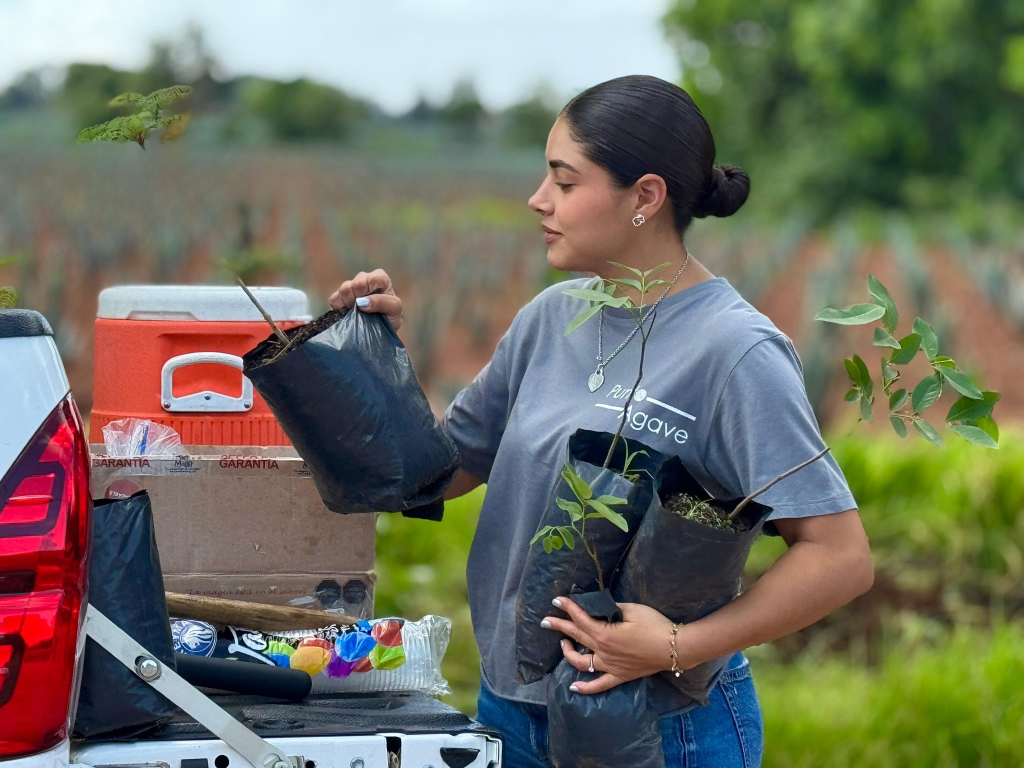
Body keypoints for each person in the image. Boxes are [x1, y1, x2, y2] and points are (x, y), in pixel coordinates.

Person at [329, 75, 874, 768]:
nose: (538, 199)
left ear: (645, 196)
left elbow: (840, 557)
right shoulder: (551, 319)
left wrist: (677, 645)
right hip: (513, 709)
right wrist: (378, 358)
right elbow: (437, 473)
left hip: (659, 724)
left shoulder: (735, 351)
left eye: (564, 180)